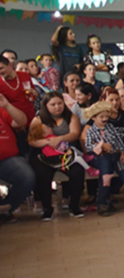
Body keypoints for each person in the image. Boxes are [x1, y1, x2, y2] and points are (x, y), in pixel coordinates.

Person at [28, 92, 85, 220]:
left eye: (59, 103)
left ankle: (74, 206)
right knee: (42, 175)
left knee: (77, 171)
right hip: (44, 153)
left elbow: (75, 134)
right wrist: (47, 142)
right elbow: (31, 140)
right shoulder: (38, 119)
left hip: (65, 152)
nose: (57, 107)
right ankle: (48, 208)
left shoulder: (71, 117)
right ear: (46, 106)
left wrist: (59, 139)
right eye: (53, 104)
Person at [83, 101, 124, 216]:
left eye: (106, 116)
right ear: (93, 117)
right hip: (102, 157)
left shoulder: (111, 127)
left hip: (116, 156)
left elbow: (119, 142)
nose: (105, 119)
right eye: (101, 117)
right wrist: (101, 146)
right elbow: (88, 146)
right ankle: (102, 204)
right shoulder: (91, 131)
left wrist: (122, 153)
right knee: (106, 178)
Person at [0, 94, 33, 221]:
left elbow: (22, 121)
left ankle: (5, 208)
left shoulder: (2, 110)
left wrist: (7, 105)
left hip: (8, 159)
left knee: (27, 176)